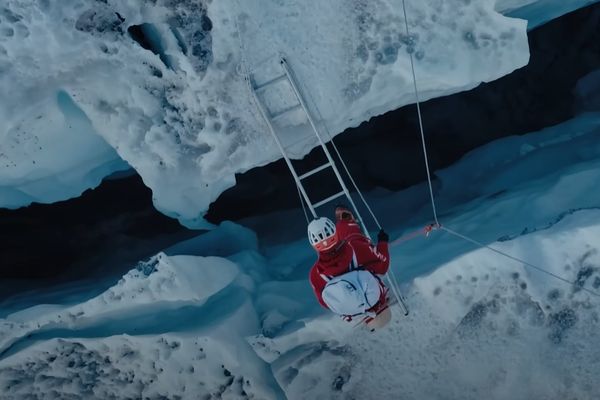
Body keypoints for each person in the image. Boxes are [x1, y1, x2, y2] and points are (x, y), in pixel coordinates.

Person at [308, 205, 391, 328]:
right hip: (374, 297)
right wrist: (382, 242)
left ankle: (366, 315)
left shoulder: (315, 275)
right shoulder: (356, 247)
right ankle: (345, 222)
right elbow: (382, 265)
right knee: (353, 237)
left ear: (314, 246)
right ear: (335, 234)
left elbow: (325, 302)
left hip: (354, 312)